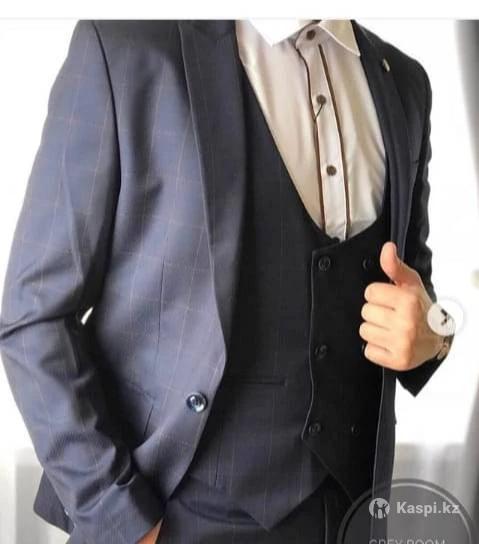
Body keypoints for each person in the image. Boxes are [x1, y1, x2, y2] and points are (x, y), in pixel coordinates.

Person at [0, 18, 454, 543]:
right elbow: (35, 315)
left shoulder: (405, 83)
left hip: (351, 517)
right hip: (174, 517)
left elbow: (417, 286)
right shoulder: (127, 48)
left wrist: (438, 335)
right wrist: (118, 517)